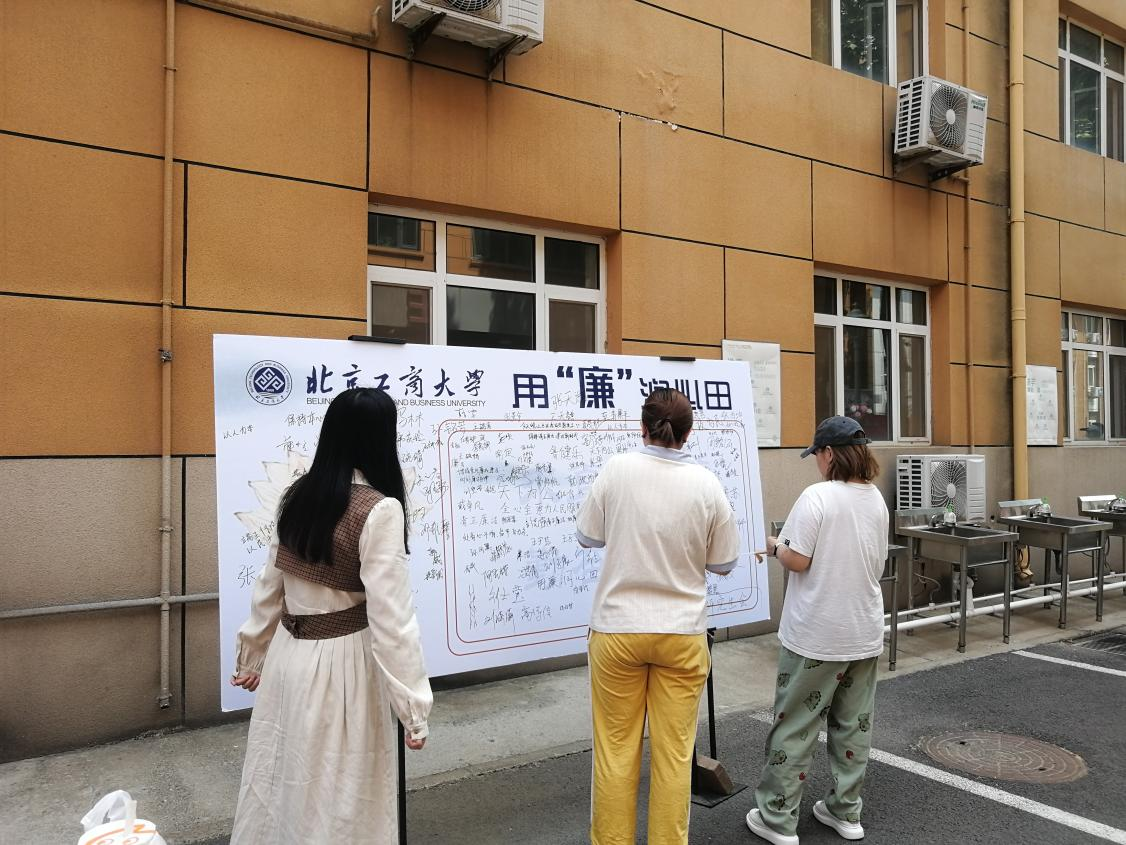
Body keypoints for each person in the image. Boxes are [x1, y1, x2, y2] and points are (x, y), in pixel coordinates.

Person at [229, 387, 433, 845]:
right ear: (382, 438)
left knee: (283, 778)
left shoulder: (298, 494)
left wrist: (252, 654)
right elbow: (393, 621)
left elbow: (270, 583)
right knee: (340, 791)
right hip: (344, 668)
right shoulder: (380, 509)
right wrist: (413, 709)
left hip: (287, 660)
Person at [576, 387, 742, 845]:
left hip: (616, 629)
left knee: (615, 752)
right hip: (682, 634)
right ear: (688, 433)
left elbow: (587, 537)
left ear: (642, 427)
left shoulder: (616, 469)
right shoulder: (706, 483)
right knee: (674, 757)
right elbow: (724, 562)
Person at [745, 415, 888, 845]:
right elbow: (877, 562)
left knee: (796, 726)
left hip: (816, 633)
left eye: (817, 454)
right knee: (853, 726)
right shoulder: (875, 499)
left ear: (829, 453)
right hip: (863, 631)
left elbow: (797, 559)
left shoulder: (817, 496)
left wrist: (774, 546)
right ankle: (846, 812)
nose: (816, 462)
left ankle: (777, 818)